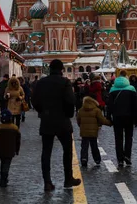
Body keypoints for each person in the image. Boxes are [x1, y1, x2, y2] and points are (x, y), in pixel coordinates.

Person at [32, 59, 81, 191]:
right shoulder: (65, 82)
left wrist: (42, 112)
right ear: (61, 69)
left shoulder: (41, 82)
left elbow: (34, 100)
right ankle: (68, 179)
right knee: (67, 151)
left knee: (46, 152)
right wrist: (69, 114)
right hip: (62, 121)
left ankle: (47, 182)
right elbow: (71, 101)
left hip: (47, 120)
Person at [108, 73, 137, 167]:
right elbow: (136, 105)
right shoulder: (132, 90)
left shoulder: (112, 90)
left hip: (117, 117)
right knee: (129, 138)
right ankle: (127, 156)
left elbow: (109, 106)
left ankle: (120, 159)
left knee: (118, 139)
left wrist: (108, 117)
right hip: (129, 117)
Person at [77, 93, 112, 167]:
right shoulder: (96, 110)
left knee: (84, 146)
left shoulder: (81, 110)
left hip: (84, 132)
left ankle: (84, 159)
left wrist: (81, 126)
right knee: (94, 146)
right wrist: (110, 123)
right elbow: (102, 120)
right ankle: (97, 159)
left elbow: (78, 121)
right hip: (93, 132)